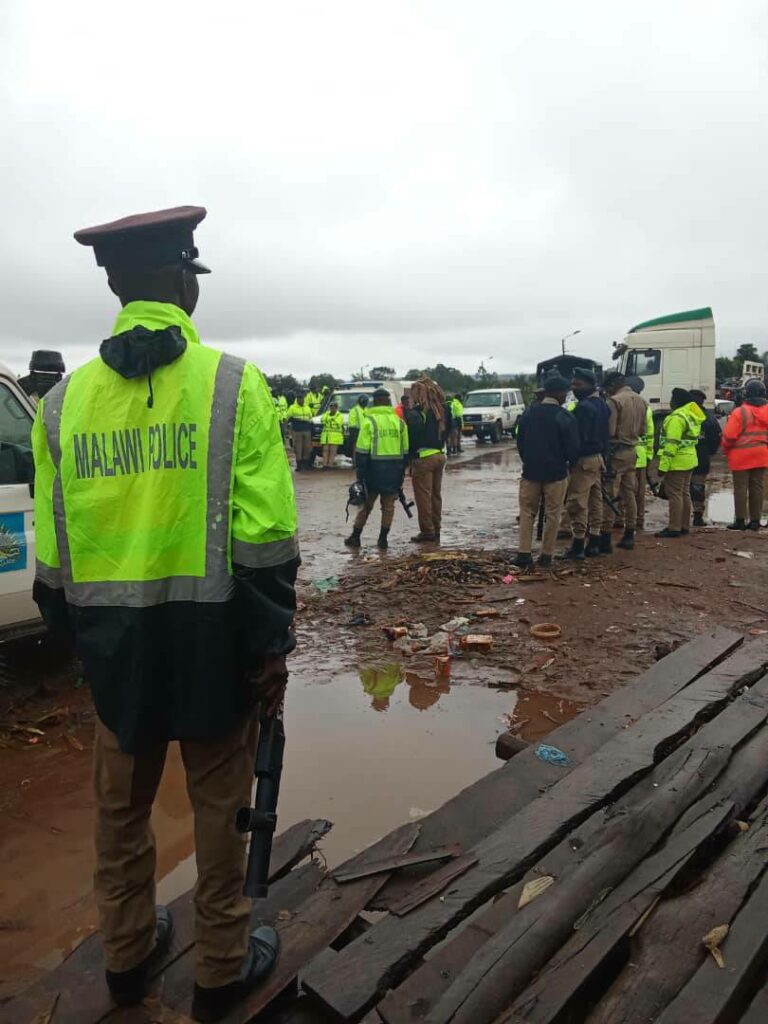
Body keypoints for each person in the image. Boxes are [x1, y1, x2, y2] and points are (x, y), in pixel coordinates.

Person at [33, 207, 299, 1021]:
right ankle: (219, 968)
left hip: (117, 650)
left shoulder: (61, 404)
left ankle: (125, 956)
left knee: (119, 811)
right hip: (215, 643)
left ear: (115, 284)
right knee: (221, 814)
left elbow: (54, 559)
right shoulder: (233, 385)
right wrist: (270, 647)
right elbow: (266, 539)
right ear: (183, 281)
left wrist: (85, 649)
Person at [514, 375, 580, 569]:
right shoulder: (565, 416)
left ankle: (524, 553)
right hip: (556, 473)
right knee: (553, 513)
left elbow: (520, 442)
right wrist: (566, 464)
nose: (566, 396)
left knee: (527, 512)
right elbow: (573, 448)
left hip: (530, 472)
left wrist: (529, 460)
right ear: (558, 393)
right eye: (565, 393)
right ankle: (546, 555)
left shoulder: (528, 414)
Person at [345, 388, 409, 550]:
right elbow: (406, 452)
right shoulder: (400, 423)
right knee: (388, 508)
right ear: (388, 402)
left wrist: (360, 474)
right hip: (394, 473)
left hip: (372, 473)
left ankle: (355, 537)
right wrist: (401, 473)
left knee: (365, 506)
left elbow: (361, 452)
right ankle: (383, 539)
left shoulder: (369, 422)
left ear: (374, 402)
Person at [560, 368, 610, 560]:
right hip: (598, 458)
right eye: (573, 384)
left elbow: (577, 439)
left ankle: (578, 544)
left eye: (578, 385)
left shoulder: (583, 408)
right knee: (596, 501)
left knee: (577, 503)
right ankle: (594, 541)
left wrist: (570, 460)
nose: (574, 388)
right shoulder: (602, 405)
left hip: (583, 460)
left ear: (590, 385)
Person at [600, 371, 649, 554]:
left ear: (613, 385)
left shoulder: (615, 401)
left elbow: (610, 431)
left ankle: (605, 537)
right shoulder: (641, 401)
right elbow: (643, 430)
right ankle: (629, 534)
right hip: (632, 452)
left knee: (609, 494)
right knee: (629, 493)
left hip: (616, 453)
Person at [406, 377, 451, 543]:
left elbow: (413, 437)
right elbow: (449, 430)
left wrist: (409, 458)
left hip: (424, 458)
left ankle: (427, 531)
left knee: (423, 497)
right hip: (440, 455)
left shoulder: (419, 412)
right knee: (436, 495)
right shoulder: (444, 409)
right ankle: (436, 528)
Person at [656, 387, 705, 538]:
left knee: (675, 495)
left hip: (676, 462)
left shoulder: (676, 418)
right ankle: (684, 525)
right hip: (689, 460)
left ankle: (674, 527)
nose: (670, 402)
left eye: (672, 399)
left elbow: (671, 444)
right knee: (684, 493)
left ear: (677, 401)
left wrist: (663, 466)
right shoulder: (689, 416)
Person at [722, 379, 768, 530]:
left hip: (740, 457)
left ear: (746, 393)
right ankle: (755, 521)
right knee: (757, 488)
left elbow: (729, 436)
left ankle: (740, 520)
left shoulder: (740, 412)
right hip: (761, 455)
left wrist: (726, 450)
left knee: (740, 489)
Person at [689, 388, 722, 526]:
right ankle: (697, 516)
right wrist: (710, 451)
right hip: (702, 456)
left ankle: (680, 517)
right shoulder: (709, 417)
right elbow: (717, 437)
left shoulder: (684, 415)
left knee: (682, 488)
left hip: (684, 456)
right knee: (698, 485)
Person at [627, 375, 655, 532]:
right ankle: (639, 518)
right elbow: (650, 434)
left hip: (626, 454)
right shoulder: (646, 407)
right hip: (642, 456)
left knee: (625, 489)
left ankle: (622, 518)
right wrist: (650, 455)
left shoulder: (621, 404)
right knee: (639, 491)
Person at [288, 391, 314, 470]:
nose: (301, 400)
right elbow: (288, 418)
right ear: (297, 399)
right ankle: (299, 465)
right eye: (299, 398)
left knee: (307, 448)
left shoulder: (307, 407)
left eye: (302, 398)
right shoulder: (292, 407)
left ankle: (305, 464)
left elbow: (310, 418)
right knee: (298, 448)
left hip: (307, 430)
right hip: (297, 430)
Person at [320, 400, 344, 468]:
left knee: (332, 452)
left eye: (333, 407)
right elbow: (322, 420)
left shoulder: (340, 415)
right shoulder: (326, 414)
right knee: (325, 450)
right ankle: (325, 465)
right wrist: (331, 420)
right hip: (326, 436)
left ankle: (330, 465)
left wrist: (328, 421)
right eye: (331, 407)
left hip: (335, 437)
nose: (332, 408)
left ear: (336, 408)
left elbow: (337, 423)